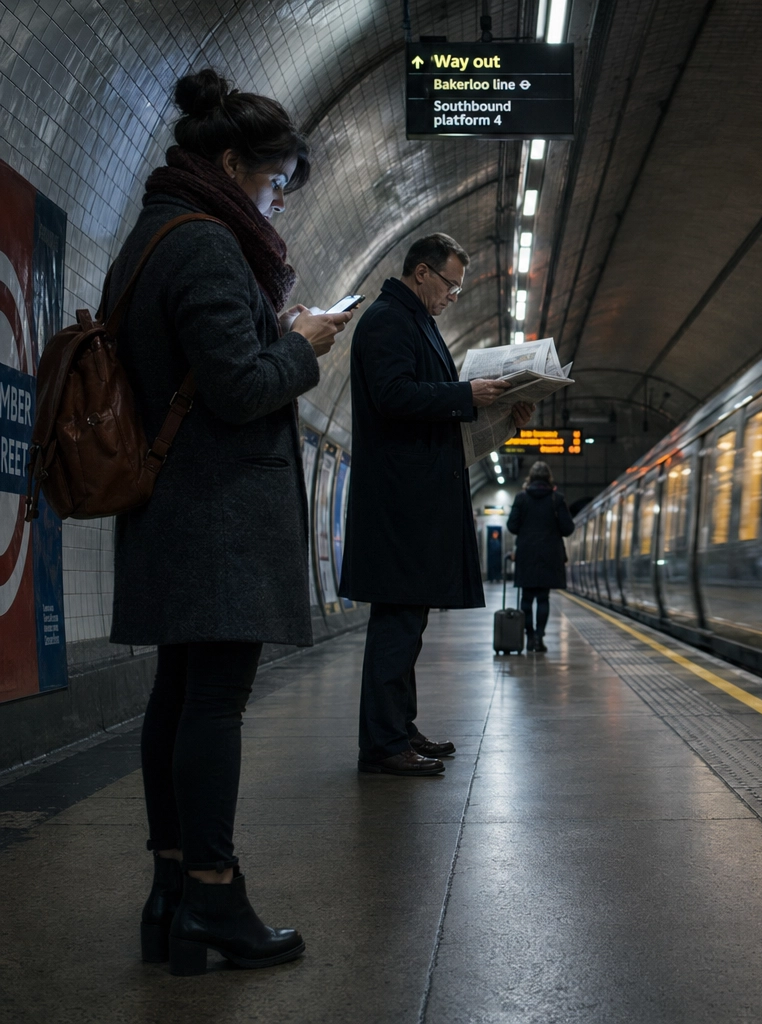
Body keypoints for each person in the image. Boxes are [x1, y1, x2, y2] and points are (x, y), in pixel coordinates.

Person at [111, 68, 352, 975]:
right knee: (212, 705)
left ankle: (172, 895)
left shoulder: (151, 234)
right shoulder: (208, 244)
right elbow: (241, 386)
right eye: (272, 180)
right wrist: (301, 347)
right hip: (215, 514)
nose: (276, 198)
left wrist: (272, 337)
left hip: (176, 507)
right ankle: (213, 892)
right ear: (229, 162)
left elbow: (206, 364)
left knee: (177, 698)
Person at [339, 233, 533, 775]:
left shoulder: (416, 322)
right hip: (400, 503)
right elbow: (394, 396)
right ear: (422, 272)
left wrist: (492, 415)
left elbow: (428, 407)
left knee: (409, 622)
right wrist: (465, 396)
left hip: (417, 498)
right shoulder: (385, 321)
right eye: (450, 283)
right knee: (396, 623)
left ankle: (399, 727)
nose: (453, 295)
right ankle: (382, 744)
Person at [507, 461, 575, 652]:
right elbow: (568, 529)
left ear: (530, 478)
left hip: (526, 554)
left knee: (526, 598)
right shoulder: (557, 499)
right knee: (543, 598)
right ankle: (539, 638)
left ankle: (529, 637)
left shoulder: (521, 498)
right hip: (549, 556)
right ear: (548, 478)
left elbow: (512, 526)